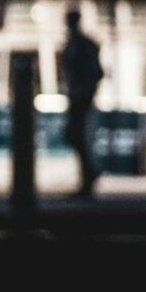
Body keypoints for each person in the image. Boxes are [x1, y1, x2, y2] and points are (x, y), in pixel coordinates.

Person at [60, 10, 104, 198]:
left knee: (75, 134)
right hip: (77, 95)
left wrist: (85, 90)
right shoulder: (76, 44)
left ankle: (89, 175)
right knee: (74, 135)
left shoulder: (83, 45)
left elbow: (96, 72)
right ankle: (88, 174)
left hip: (81, 96)